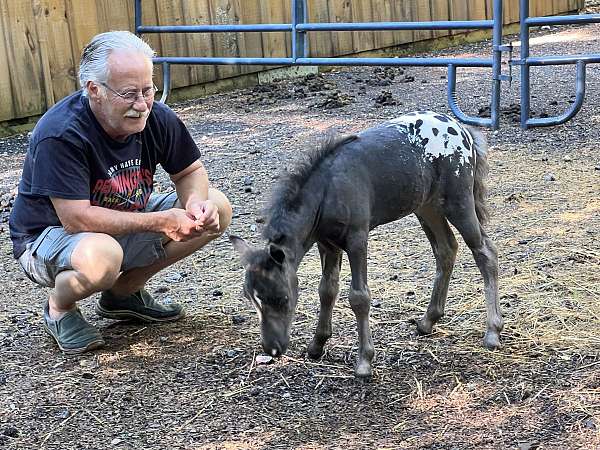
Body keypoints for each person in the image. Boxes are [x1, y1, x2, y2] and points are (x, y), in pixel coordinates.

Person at [9, 31, 232, 354]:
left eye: (147, 89)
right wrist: (160, 221)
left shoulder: (155, 116)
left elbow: (189, 171)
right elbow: (76, 219)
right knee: (103, 256)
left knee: (218, 206)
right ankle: (59, 308)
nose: (141, 105)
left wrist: (195, 203)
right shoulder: (61, 133)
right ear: (94, 90)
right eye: (128, 94)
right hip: (46, 235)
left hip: (119, 217)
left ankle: (124, 294)